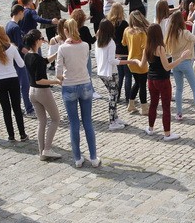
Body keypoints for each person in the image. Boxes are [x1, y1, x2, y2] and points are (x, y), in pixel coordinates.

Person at [129, 24, 191, 141]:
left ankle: (150, 128)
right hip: (162, 80)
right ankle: (167, 134)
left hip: (151, 80)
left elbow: (141, 65)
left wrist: (135, 60)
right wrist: (181, 58)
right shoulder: (160, 48)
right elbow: (167, 67)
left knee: (153, 104)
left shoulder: (147, 48)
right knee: (166, 107)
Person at [56, 19, 100, 167]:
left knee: (74, 123)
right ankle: (93, 157)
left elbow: (58, 73)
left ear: (65, 30)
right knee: (88, 121)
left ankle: (77, 158)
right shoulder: (85, 45)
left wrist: (63, 78)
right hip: (85, 83)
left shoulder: (62, 48)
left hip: (69, 85)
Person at [22, 30, 62, 161]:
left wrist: (57, 54)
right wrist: (56, 81)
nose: (43, 40)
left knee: (42, 122)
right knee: (55, 119)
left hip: (32, 92)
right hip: (42, 92)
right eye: (41, 38)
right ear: (36, 41)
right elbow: (39, 80)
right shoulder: (37, 58)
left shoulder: (27, 55)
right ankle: (48, 149)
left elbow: (45, 61)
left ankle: (42, 152)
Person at [0, 25, 28, 142]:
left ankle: (11, 135)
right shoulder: (12, 48)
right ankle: (22, 134)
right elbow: (21, 64)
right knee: (17, 108)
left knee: (6, 109)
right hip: (12, 79)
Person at [95, 20, 126, 131]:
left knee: (113, 95)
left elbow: (104, 57)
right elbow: (112, 61)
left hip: (101, 72)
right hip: (110, 72)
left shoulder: (98, 41)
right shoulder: (111, 42)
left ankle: (115, 118)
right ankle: (112, 121)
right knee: (113, 96)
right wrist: (128, 61)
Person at [123, 11, 149, 116]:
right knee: (142, 85)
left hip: (130, 60)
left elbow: (124, 43)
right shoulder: (142, 33)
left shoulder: (127, 30)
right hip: (140, 61)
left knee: (137, 82)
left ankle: (131, 104)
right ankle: (144, 108)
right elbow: (145, 48)